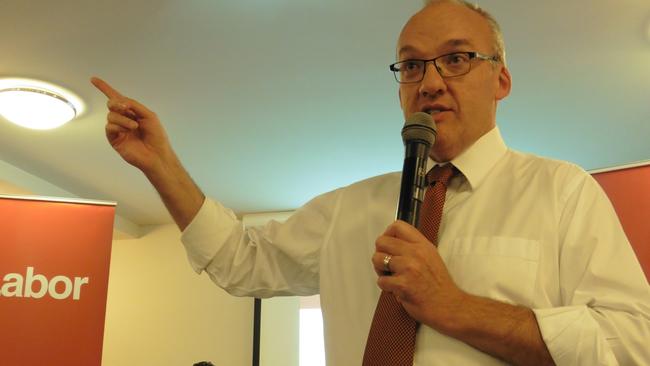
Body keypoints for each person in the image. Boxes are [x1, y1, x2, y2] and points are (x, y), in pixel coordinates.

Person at [91, 0, 650, 365]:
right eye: (411, 66)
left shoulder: (563, 192)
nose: (430, 82)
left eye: (455, 59)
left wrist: (453, 306)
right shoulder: (350, 207)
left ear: (500, 78)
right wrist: (160, 163)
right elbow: (242, 260)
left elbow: (632, 343)